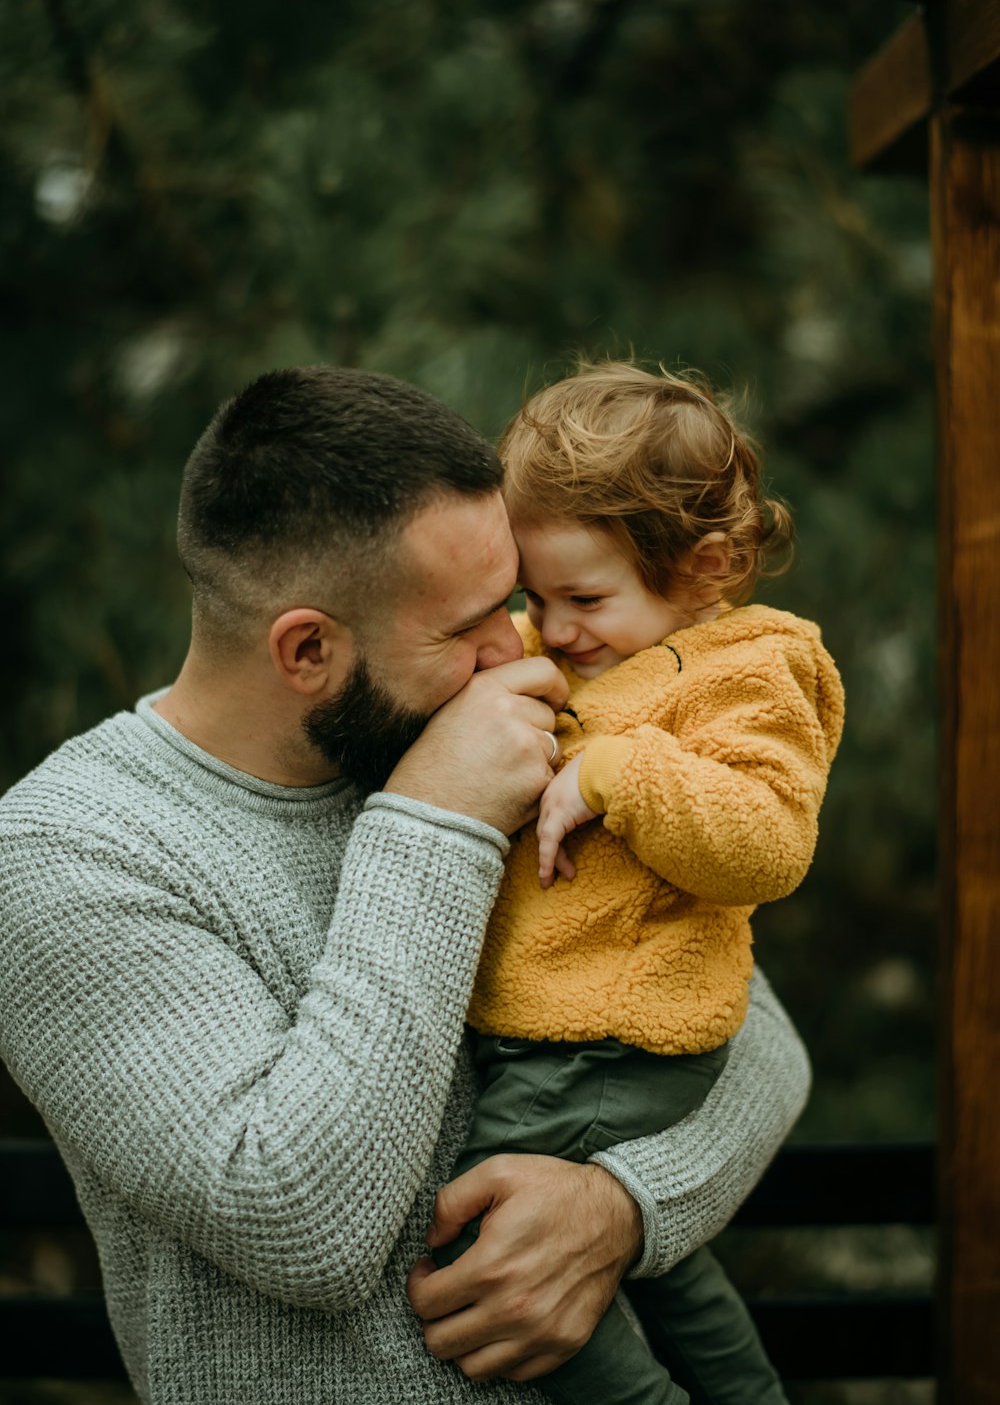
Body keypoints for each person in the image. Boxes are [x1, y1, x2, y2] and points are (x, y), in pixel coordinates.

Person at [0, 366, 811, 1405]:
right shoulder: (72, 849)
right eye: (469, 625)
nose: (519, 654)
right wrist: (437, 818)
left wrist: (622, 1205)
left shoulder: (496, 731)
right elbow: (303, 1221)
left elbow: (762, 1037)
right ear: (308, 649)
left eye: (514, 601)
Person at [438, 361, 845, 1404]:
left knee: (496, 1238)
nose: (555, 625)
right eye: (534, 594)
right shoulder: (562, 647)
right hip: (563, 1027)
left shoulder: (753, 668)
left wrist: (623, 772)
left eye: (583, 597)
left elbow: (765, 843)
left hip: (613, 1034)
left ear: (703, 565)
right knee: (657, 1267)